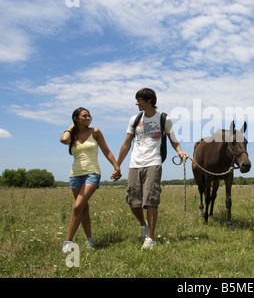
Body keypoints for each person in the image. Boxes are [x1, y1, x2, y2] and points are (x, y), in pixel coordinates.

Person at [117, 88, 188, 250]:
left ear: (149, 101)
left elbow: (174, 140)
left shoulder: (163, 119)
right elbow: (127, 143)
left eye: (139, 100)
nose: (136, 103)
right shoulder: (134, 119)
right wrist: (117, 165)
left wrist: (180, 151)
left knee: (151, 200)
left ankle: (150, 238)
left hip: (153, 163)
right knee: (134, 202)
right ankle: (144, 224)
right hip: (135, 163)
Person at [60, 107, 121, 252]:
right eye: (84, 116)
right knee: (83, 208)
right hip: (75, 175)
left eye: (89, 116)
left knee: (77, 206)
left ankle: (68, 241)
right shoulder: (71, 134)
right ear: (76, 118)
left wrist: (116, 167)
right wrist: (71, 127)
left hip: (92, 173)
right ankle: (89, 239)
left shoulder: (95, 132)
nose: (88, 118)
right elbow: (63, 140)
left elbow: (106, 150)